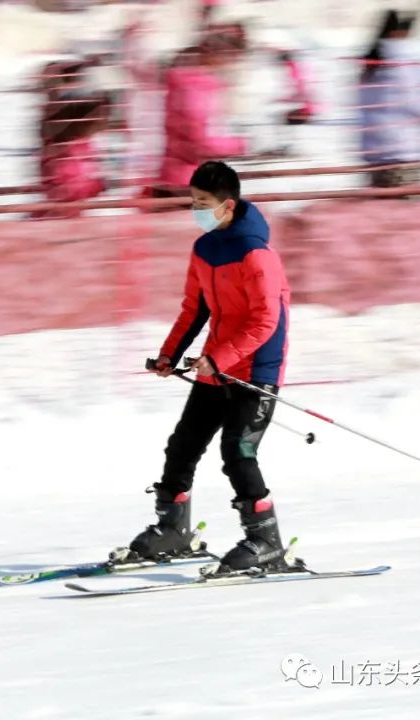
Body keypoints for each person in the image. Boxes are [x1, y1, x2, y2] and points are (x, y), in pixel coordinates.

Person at [128, 160, 291, 573]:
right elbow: (194, 309)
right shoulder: (204, 249)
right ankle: (173, 529)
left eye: (203, 203)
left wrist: (220, 359)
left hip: (256, 369)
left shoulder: (257, 254)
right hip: (214, 365)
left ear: (228, 205)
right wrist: (169, 354)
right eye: (193, 201)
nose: (196, 210)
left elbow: (265, 321)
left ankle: (265, 540)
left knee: (237, 451)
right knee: (182, 445)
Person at [141, 44, 246, 205]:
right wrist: (239, 145)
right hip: (190, 181)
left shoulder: (174, 87)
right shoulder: (198, 88)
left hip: (171, 176)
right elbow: (198, 140)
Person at [356, 10, 420, 188]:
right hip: (402, 148)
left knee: (380, 199)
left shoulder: (371, 60)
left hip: (373, 149)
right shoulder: (406, 61)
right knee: (404, 200)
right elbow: (419, 103)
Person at [32, 95, 109, 219]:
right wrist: (96, 185)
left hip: (71, 213)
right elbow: (64, 186)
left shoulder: (84, 146)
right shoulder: (63, 149)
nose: (104, 123)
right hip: (60, 215)